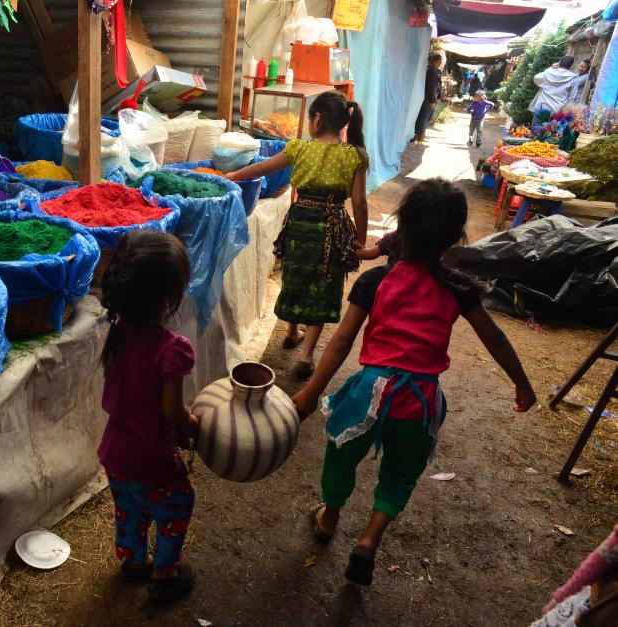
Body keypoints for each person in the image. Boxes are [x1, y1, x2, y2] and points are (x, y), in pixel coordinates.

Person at [292, 178, 536, 587]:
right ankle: (369, 539)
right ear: (454, 238)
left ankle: (329, 518)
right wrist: (522, 384)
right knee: (402, 472)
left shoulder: (375, 282)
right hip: (420, 400)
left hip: (368, 391)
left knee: (340, 454)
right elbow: (494, 336)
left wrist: (309, 394)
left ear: (400, 226)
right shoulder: (458, 287)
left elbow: (341, 342)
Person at [227, 91, 369, 380]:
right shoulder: (355, 156)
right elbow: (359, 203)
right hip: (332, 225)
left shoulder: (299, 148)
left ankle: (292, 331)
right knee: (324, 281)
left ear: (317, 119)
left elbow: (260, 168)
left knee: (295, 275)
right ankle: (306, 356)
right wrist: (361, 239)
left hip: (300, 221)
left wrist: (230, 177)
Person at [97, 229, 198, 602]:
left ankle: (135, 562)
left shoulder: (119, 330)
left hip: (115, 452)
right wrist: (192, 424)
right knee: (176, 506)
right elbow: (172, 411)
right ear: (169, 298)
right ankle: (165, 573)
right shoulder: (173, 349)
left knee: (129, 509)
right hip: (150, 458)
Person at [529, 55, 578, 128]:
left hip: (541, 107)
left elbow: (536, 78)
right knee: (551, 136)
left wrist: (550, 68)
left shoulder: (549, 73)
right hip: (557, 112)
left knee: (535, 134)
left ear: (559, 62)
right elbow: (572, 98)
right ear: (570, 65)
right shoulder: (573, 79)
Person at [414, 53, 444, 142]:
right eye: (439, 61)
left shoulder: (432, 70)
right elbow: (432, 87)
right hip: (429, 98)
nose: (440, 63)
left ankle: (420, 134)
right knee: (425, 117)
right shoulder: (432, 71)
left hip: (429, 97)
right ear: (434, 62)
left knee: (426, 117)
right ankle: (420, 135)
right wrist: (434, 99)